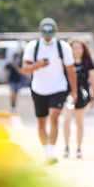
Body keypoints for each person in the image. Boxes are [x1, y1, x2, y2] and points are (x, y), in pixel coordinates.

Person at [22, 18, 77, 165]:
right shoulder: (32, 47)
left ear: (56, 31)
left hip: (58, 88)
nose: (47, 36)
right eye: (45, 32)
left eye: (50, 32)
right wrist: (37, 65)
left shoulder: (63, 47)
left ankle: (51, 153)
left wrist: (74, 91)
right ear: (40, 31)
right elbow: (25, 69)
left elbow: (70, 70)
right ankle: (46, 151)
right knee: (41, 122)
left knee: (54, 116)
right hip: (38, 89)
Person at [62, 38, 94, 158]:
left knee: (79, 122)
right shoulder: (66, 62)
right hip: (68, 95)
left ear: (83, 49)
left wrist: (93, 98)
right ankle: (66, 146)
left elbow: (93, 80)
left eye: (79, 48)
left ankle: (79, 148)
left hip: (83, 95)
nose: (77, 50)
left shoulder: (87, 62)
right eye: (74, 48)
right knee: (66, 120)